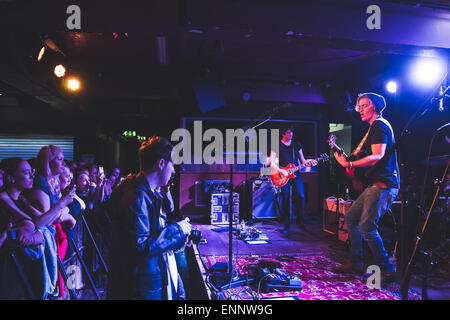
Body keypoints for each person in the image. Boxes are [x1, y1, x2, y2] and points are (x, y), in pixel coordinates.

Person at [107, 136, 191, 300]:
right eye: (172, 164)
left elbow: (153, 232)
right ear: (161, 164)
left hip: (148, 279)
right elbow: (140, 247)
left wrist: (177, 239)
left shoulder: (145, 191)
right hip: (141, 286)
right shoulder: (137, 197)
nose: (174, 170)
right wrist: (177, 230)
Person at [332, 92, 399, 282]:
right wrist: (344, 160)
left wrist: (350, 164)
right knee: (352, 218)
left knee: (366, 226)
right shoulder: (373, 128)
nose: (360, 109)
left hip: (384, 185)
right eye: (359, 106)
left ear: (375, 107)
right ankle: (356, 262)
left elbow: (378, 155)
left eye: (364, 105)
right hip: (374, 184)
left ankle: (387, 271)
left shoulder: (379, 125)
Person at [269, 125, 316, 232]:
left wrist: (310, 163)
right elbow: (271, 161)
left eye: (292, 132)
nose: (291, 134)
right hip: (283, 174)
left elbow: (303, 161)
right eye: (289, 132)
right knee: (285, 199)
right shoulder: (277, 145)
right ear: (283, 134)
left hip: (296, 173)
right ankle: (286, 225)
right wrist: (281, 170)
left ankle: (300, 221)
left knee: (301, 196)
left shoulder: (296, 144)